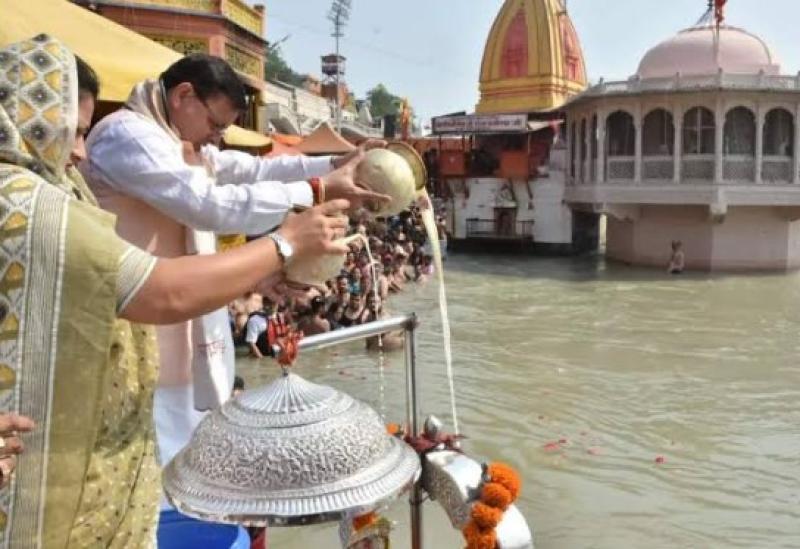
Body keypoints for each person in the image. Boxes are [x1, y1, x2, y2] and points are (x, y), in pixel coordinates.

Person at [0, 35, 347, 547]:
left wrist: (334, 176)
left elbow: (250, 171)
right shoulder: (98, 156)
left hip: (150, 358)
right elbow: (175, 259)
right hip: (130, 349)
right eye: (72, 133)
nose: (81, 149)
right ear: (183, 96)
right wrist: (285, 243)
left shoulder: (159, 151)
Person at [82, 53, 390, 471]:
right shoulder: (128, 136)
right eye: (215, 124)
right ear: (184, 95)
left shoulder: (184, 145)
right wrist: (311, 196)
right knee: (152, 469)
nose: (216, 138)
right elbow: (205, 204)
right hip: (141, 328)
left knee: (193, 462)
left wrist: (334, 165)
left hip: (191, 325)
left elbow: (250, 171)